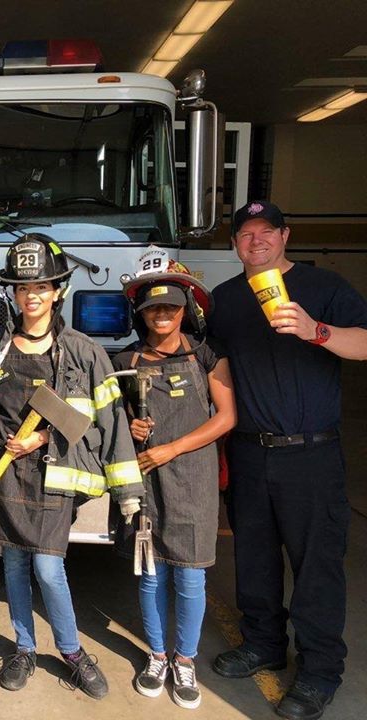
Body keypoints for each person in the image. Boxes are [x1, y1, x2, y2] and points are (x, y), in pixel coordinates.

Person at [0, 234, 144, 699]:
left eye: (41, 286)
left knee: (46, 568)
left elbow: (106, 423)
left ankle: (73, 653)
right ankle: (23, 648)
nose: (32, 295)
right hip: (5, 473)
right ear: (14, 295)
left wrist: (43, 436)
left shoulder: (84, 353)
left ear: (58, 290)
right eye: (23, 288)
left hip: (53, 476)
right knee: (14, 566)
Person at [208, 201, 367, 720]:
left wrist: (315, 330)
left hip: (311, 453)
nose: (255, 241)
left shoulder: (324, 289)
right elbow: (217, 371)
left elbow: (365, 344)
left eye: (266, 232)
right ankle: (263, 644)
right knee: (252, 558)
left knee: (316, 568)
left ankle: (320, 671)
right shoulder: (228, 300)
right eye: (245, 234)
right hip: (252, 452)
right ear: (235, 244)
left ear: (285, 236)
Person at [112, 250, 236, 709]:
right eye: (152, 308)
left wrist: (170, 447)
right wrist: (130, 423)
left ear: (187, 310)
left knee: (189, 579)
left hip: (193, 479)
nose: (161, 314)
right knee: (150, 574)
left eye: (171, 307)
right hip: (147, 485)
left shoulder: (208, 356)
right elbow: (113, 419)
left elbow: (226, 417)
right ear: (140, 314)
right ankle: (157, 655)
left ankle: (185, 660)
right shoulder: (126, 360)